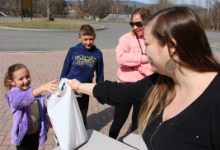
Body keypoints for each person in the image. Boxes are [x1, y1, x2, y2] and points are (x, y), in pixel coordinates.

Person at [66, 6, 220, 150]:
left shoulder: (214, 102)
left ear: (171, 47)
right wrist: (78, 86)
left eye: (147, 44)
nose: (144, 51)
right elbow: (118, 91)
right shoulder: (162, 81)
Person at [110, 8, 153, 139]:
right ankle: (109, 144)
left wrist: (135, 63)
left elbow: (154, 66)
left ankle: (133, 145)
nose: (135, 27)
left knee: (137, 123)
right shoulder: (126, 38)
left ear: (148, 22)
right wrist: (144, 58)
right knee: (118, 122)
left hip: (143, 87)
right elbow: (121, 59)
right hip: (125, 87)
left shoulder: (153, 40)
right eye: (132, 24)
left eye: (139, 23)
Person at [4, 63, 58, 150]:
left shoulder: (35, 93)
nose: (25, 81)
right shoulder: (13, 94)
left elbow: (42, 111)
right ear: (12, 82)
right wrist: (42, 88)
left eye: (27, 76)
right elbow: (20, 100)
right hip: (23, 136)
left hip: (35, 133)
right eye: (20, 79)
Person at [60, 24, 104, 128]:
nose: (88, 42)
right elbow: (65, 69)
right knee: (68, 112)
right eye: (85, 39)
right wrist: (61, 87)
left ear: (95, 37)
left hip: (85, 89)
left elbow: (100, 73)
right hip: (70, 88)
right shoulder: (73, 51)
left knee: (82, 112)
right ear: (79, 38)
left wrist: (100, 92)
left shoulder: (97, 53)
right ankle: (64, 133)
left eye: (91, 39)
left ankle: (81, 133)